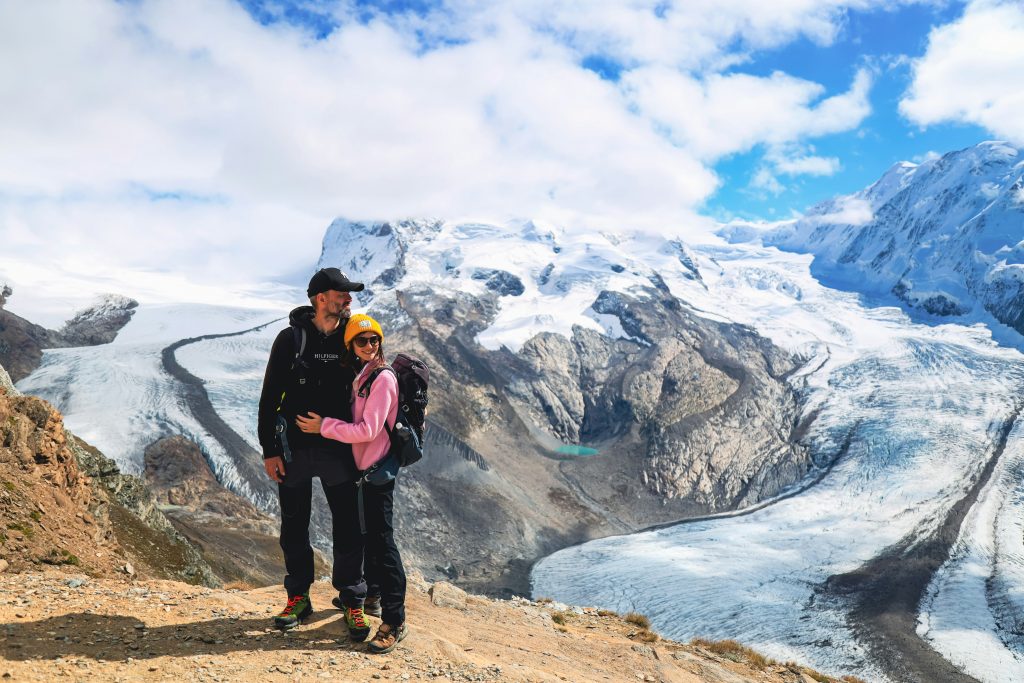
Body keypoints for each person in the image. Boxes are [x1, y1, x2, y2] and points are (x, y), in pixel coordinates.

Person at [257, 267, 377, 642]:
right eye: (342, 293)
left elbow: (374, 382)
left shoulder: (351, 337)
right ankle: (299, 597)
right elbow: (269, 396)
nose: (349, 299)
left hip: (338, 449)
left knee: (348, 526)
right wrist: (270, 449)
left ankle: (351, 598)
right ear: (320, 297)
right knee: (294, 525)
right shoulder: (290, 340)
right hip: (294, 448)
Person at [296, 313, 408, 654]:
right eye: (362, 340)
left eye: (374, 339)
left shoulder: (382, 379)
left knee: (384, 544)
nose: (370, 345)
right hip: (364, 471)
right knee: (369, 537)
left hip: (377, 473)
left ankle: (394, 619)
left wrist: (324, 427)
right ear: (351, 345)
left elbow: (368, 431)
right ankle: (372, 598)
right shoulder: (362, 374)